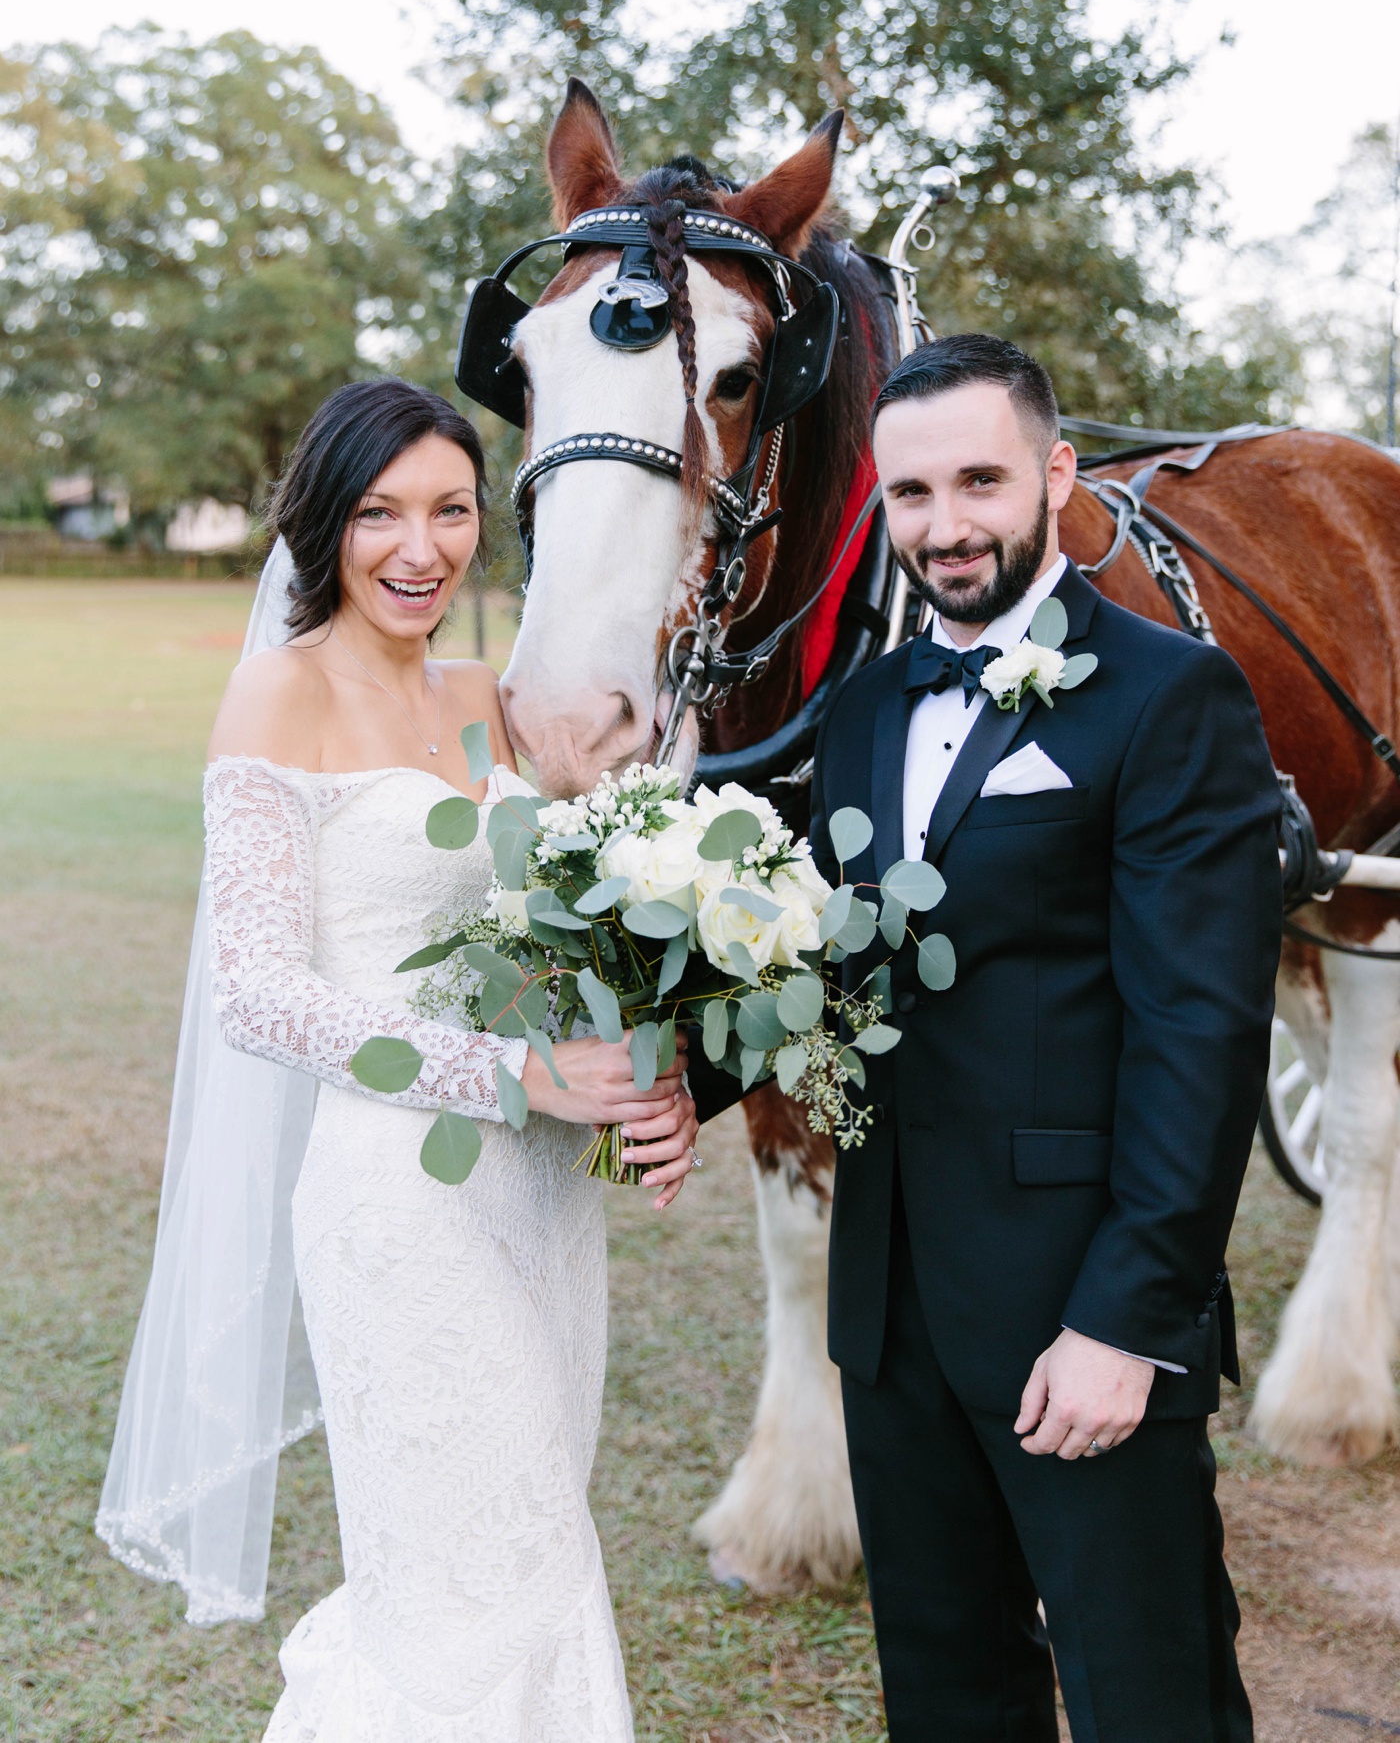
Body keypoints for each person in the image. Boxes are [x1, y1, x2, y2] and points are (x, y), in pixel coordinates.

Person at [691, 333, 1281, 1741]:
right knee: (949, 1692)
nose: (945, 526)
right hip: (892, 1312)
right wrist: (688, 1078)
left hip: (1082, 1313)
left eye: (980, 481)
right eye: (910, 494)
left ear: (1056, 475)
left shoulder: (1171, 696)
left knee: (1154, 1692)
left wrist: (1124, 1323)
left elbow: (1203, 1037)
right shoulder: (870, 705)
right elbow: (841, 959)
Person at [99, 377, 698, 1742]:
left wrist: (641, 1062)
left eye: (450, 510)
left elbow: (572, 927)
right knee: (475, 1572)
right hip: (398, 1197)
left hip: (542, 1196)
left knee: (532, 1537)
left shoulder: (490, 698)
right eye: (381, 513)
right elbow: (258, 991)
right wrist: (502, 1077)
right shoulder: (278, 694)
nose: (419, 548)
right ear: (324, 522)